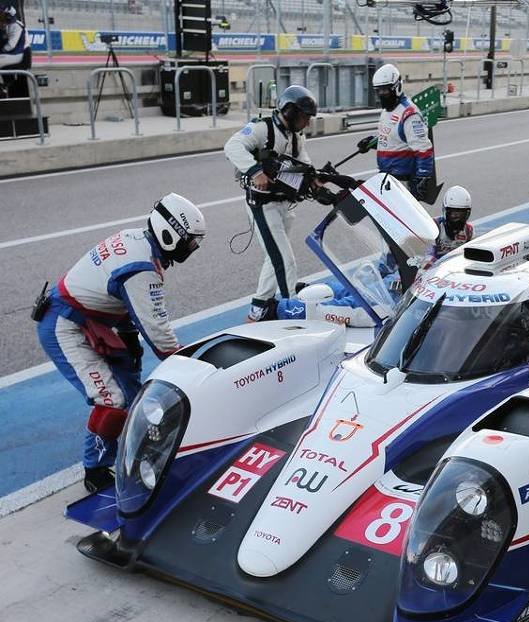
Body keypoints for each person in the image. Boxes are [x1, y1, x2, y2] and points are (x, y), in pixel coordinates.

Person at [35, 194, 206, 494]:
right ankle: (95, 471)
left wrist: (130, 342)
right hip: (65, 326)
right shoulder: (141, 267)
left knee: (131, 388)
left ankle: (129, 447)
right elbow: (159, 335)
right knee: (112, 402)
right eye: (190, 241)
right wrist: (191, 364)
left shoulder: (138, 239)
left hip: (90, 320)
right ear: (171, 233)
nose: (192, 248)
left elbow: (117, 299)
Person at [225, 85, 357, 323]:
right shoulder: (261, 128)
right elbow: (232, 146)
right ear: (289, 111)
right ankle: (293, 313)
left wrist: (318, 185)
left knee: (274, 259)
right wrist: (255, 171)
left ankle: (257, 311)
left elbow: (303, 166)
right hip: (263, 205)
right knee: (285, 261)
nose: (307, 123)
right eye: (305, 117)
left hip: (284, 206)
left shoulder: (296, 136)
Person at [356, 64, 433, 201]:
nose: (381, 94)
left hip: (402, 182)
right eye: (378, 91)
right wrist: (371, 142)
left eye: (385, 90)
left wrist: (423, 177)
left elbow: (423, 149)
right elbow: (392, 139)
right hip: (385, 178)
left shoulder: (409, 114)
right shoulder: (386, 112)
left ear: (397, 87)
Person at [426, 185, 473, 263]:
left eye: (461, 214)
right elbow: (427, 256)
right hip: (436, 270)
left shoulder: (469, 231)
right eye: (453, 213)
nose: (457, 218)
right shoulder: (433, 227)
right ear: (445, 211)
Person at [0, 3, 30, 96]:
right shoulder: (6, 25)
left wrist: (1, 51)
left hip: (18, 54)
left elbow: (11, 46)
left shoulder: (16, 26)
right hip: (11, 54)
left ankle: (2, 87)